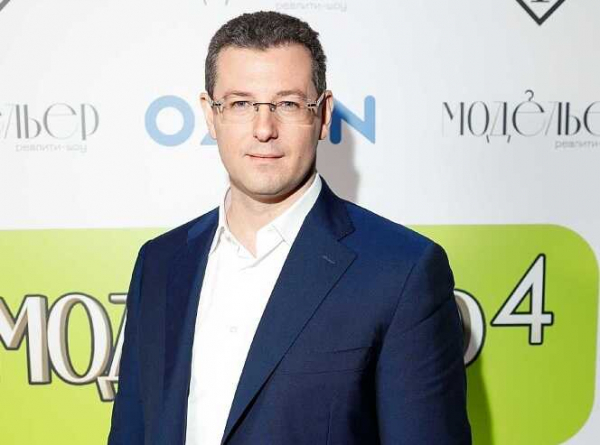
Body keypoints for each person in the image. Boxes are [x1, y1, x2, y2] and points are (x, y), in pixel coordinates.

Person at [107, 10, 471, 445]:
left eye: (288, 104)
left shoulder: (402, 272)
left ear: (323, 115)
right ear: (210, 114)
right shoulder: (160, 262)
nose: (264, 129)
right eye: (241, 104)